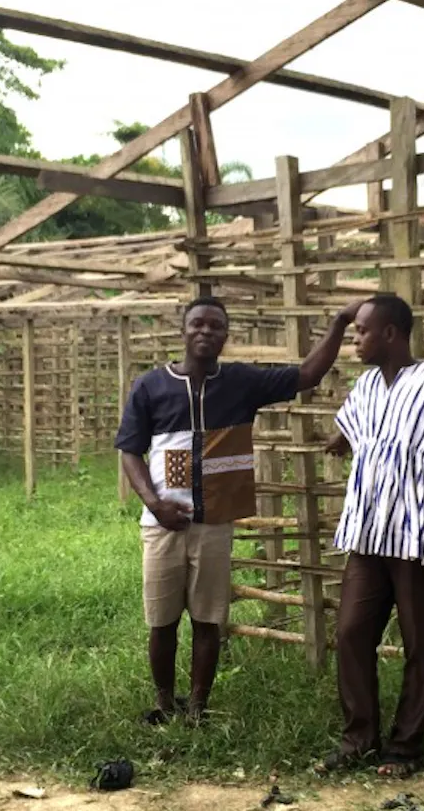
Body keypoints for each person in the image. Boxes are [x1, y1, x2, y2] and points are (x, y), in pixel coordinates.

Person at [115, 295, 361, 725]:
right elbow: (130, 452)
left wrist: (339, 322)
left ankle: (197, 709)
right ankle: (163, 703)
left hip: (214, 523)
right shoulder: (150, 386)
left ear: (227, 336)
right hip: (162, 525)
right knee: (162, 621)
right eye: (198, 324)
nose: (205, 332)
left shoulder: (241, 383)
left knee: (208, 620)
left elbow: (307, 375)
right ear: (183, 330)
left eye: (215, 326)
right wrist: (154, 504)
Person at [317, 293, 424, 778]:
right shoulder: (368, 385)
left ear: (390, 333)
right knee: (351, 632)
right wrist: (342, 439)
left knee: (419, 644)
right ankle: (359, 737)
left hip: (418, 536)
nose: (356, 341)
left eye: (362, 332)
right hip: (370, 533)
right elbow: (363, 427)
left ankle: (405, 747)